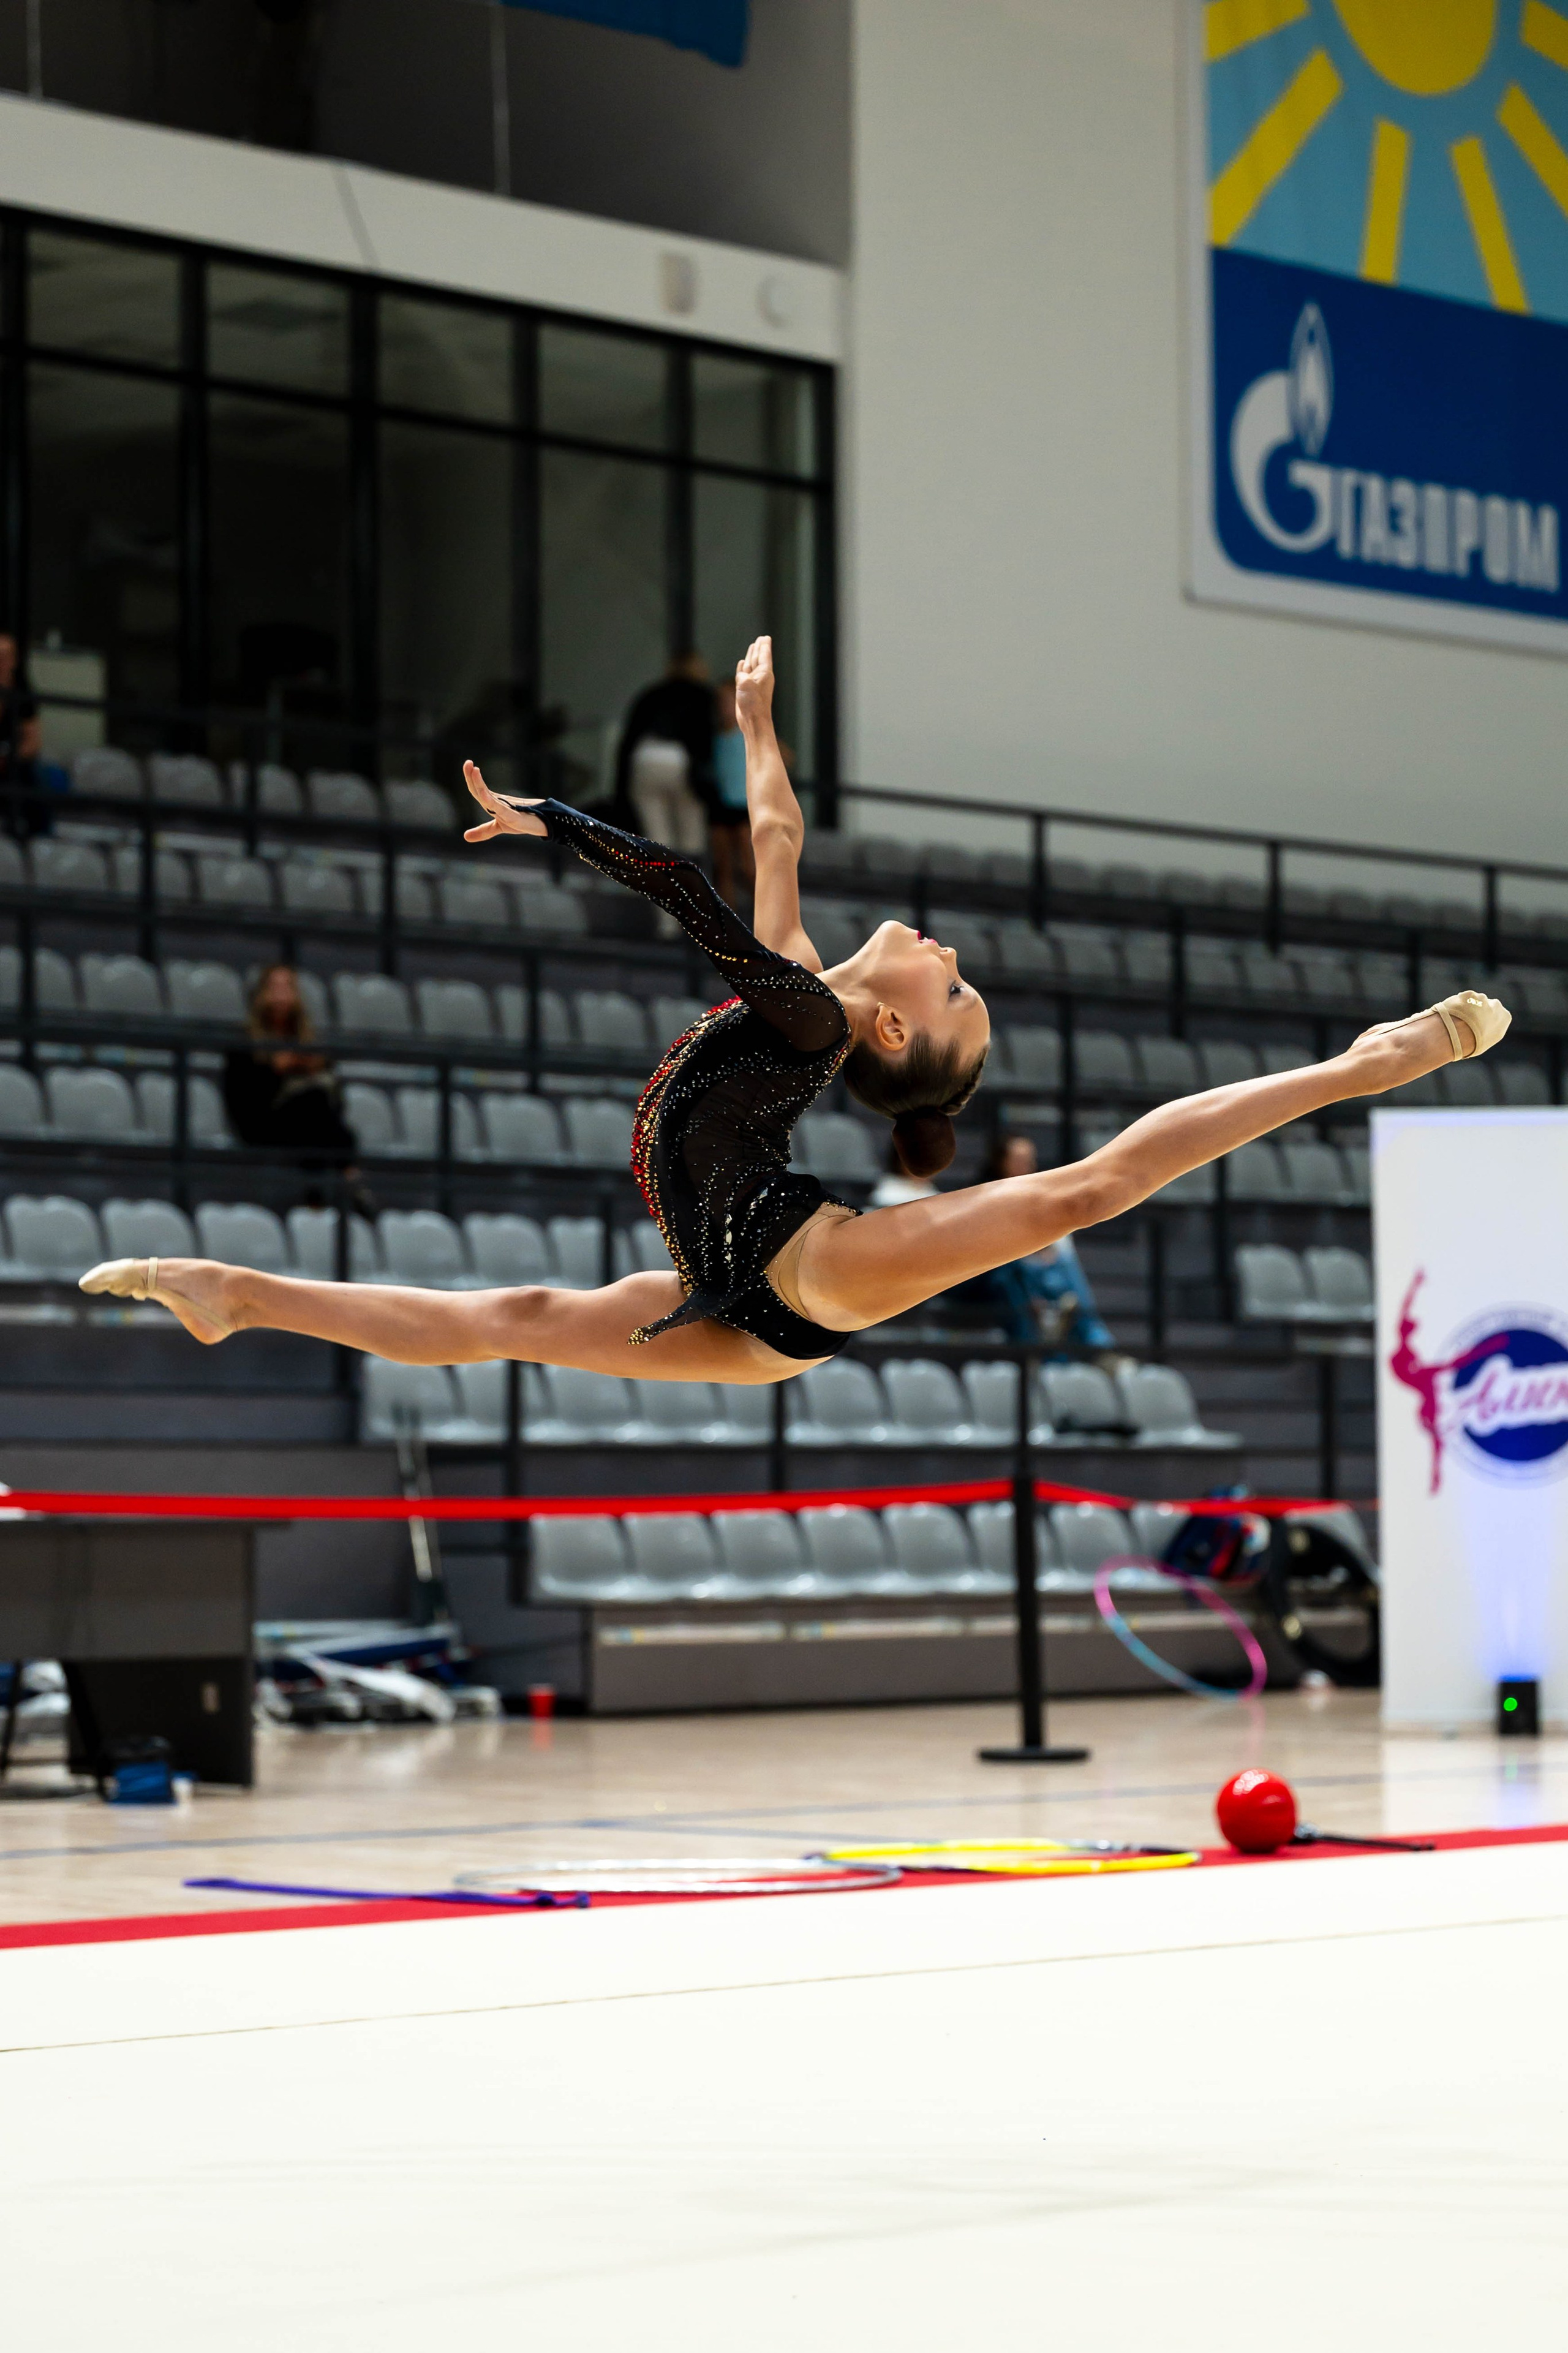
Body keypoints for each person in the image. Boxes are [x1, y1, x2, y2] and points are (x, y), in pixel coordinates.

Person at [83, 636, 1512, 1383]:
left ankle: (1368, 1057)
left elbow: (684, 888)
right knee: (511, 1311)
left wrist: (553, 822)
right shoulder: (803, 1011)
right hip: (737, 1282)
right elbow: (770, 846)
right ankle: (236, 1295)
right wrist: (756, 726)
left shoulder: (813, 1028)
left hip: (806, 1265)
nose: (942, 946)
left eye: (947, 985)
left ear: (892, 1032)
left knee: (1089, 1189)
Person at [942, 1133, 1115, 1352]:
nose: (1028, 1166)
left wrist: (1047, 1251)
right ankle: (1033, 1343)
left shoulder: (1037, 1196)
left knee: (1064, 1260)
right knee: (1010, 1267)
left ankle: (1097, 1342)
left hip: (1027, 1268)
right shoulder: (980, 1197)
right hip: (980, 1279)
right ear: (1000, 1163)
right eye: (1019, 1160)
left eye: (1030, 1160)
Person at [222, 964, 362, 1198]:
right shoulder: (243, 1044)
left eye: (288, 988)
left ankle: (317, 1198)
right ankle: (348, 1179)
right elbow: (242, 1102)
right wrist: (275, 1070)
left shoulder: (308, 1045)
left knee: (316, 1113)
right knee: (315, 1108)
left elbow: (337, 1103)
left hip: (307, 1128)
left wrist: (310, 1069)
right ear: (260, 994)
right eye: (274, 988)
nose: (281, 996)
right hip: (261, 1124)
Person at [614, 650, 715, 853]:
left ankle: (661, 879)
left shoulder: (651, 694)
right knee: (691, 827)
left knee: (655, 831)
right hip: (682, 759)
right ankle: (690, 879)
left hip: (645, 756)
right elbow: (705, 735)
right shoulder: (703, 695)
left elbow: (630, 736)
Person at [708, 676, 755, 909]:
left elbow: (785, 758)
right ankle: (729, 928)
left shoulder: (749, 734)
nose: (724, 706)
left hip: (743, 805)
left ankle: (767, 920)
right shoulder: (713, 737)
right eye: (721, 701)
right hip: (720, 805)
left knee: (748, 867)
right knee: (723, 867)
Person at [0, 635, 42, 840]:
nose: (1, 662)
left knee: (32, 780)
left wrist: (11, 757)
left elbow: (33, 741)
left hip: (11, 764)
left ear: (14, 661)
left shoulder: (22, 689)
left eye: (6, 657)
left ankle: (32, 844)